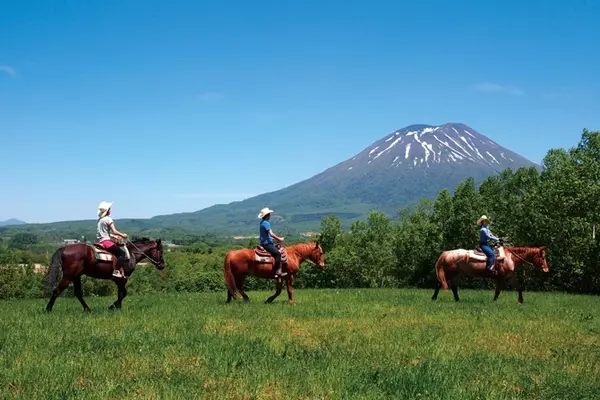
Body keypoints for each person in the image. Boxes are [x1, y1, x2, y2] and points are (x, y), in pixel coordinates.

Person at [96, 201, 129, 278]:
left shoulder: (99, 220)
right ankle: (116, 271)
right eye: (109, 209)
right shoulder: (108, 219)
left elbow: (103, 233)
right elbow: (114, 231)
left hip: (100, 241)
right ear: (107, 211)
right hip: (107, 242)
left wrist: (113, 236)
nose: (110, 210)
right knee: (122, 253)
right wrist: (123, 235)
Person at [258, 207, 287, 277]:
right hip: (267, 244)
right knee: (278, 254)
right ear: (267, 215)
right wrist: (279, 239)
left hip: (264, 242)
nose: (270, 215)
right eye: (269, 214)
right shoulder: (266, 223)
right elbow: (271, 234)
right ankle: (277, 271)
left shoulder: (262, 222)